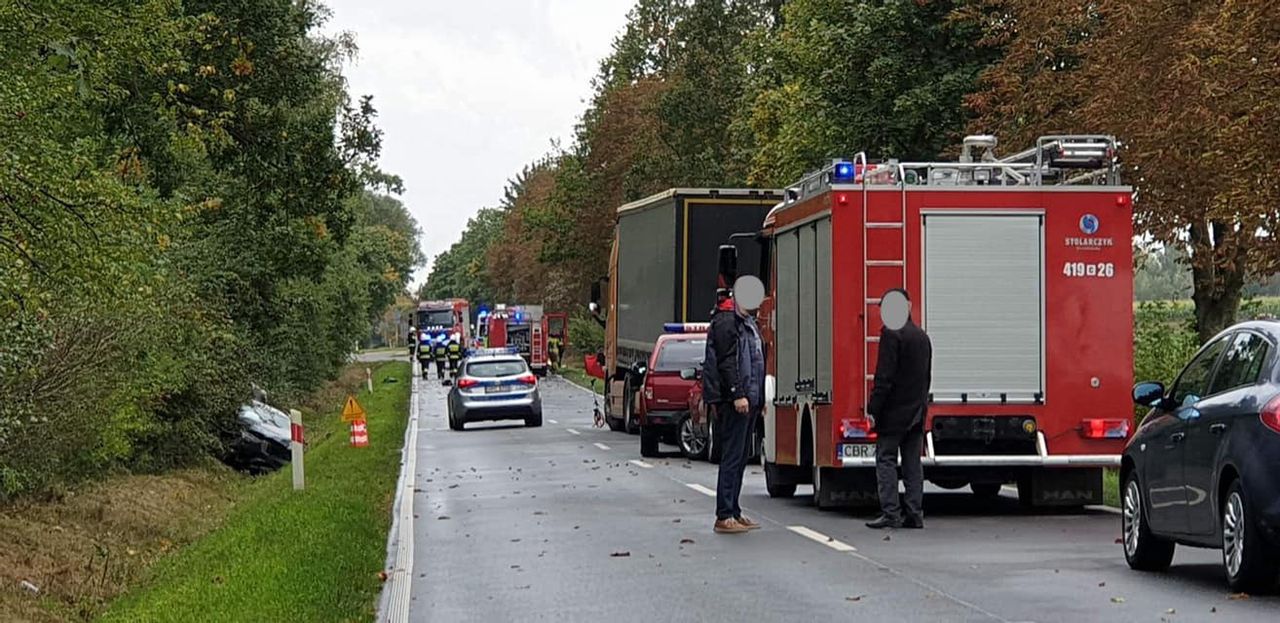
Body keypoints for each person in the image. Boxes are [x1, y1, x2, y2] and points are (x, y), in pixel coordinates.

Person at [865, 288, 933, 530]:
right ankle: (915, 513)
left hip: (894, 413)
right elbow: (927, 378)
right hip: (917, 411)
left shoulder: (891, 335)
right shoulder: (922, 337)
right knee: (913, 463)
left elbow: (884, 377)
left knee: (885, 459)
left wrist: (873, 408)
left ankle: (891, 513)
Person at [702, 289, 765, 535]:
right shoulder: (727, 321)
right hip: (734, 400)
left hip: (749, 399)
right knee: (731, 456)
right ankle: (724, 514)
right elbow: (727, 362)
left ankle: (734, 510)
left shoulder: (746, 322)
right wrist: (737, 393)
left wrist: (758, 397)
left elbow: (756, 360)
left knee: (740, 457)